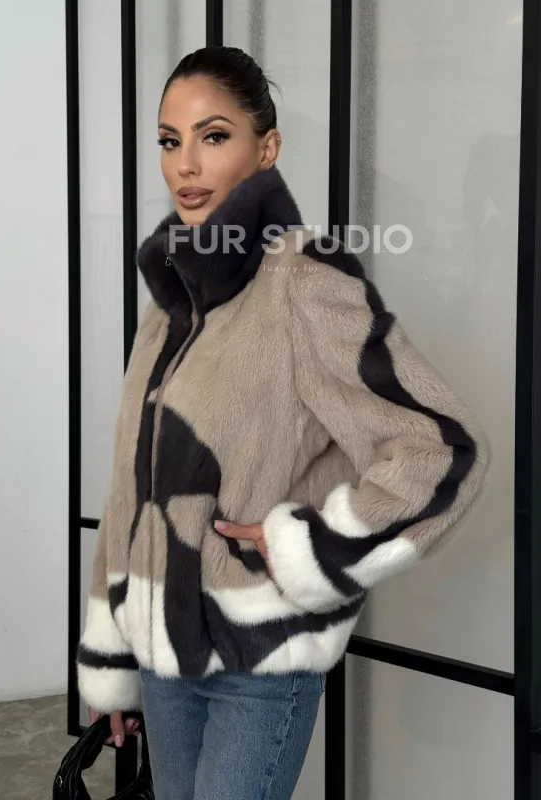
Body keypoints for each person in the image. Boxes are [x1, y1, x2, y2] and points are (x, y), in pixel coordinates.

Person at [76, 45, 490, 800]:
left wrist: (309, 547)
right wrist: (114, 655)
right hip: (164, 661)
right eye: (169, 140)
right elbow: (130, 486)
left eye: (213, 135)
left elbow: (440, 448)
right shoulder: (168, 306)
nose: (185, 164)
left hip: (259, 665)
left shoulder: (305, 280)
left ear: (266, 149)